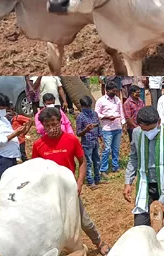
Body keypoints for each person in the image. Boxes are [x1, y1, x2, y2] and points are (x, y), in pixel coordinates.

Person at [32, 107, 111, 256]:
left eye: (54, 124)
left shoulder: (71, 140)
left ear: (60, 122)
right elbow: (35, 169)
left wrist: (79, 182)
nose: (51, 128)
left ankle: (99, 242)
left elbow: (82, 161)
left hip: (69, 190)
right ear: (43, 126)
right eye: (47, 125)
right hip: (47, 193)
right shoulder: (38, 145)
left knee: (83, 220)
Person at [124, 106, 164, 227]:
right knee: (141, 226)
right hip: (146, 185)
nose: (147, 133)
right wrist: (128, 181)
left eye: (150, 129)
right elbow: (134, 158)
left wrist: (162, 201)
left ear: (159, 122)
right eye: (144, 130)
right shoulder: (137, 133)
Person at [96, 81, 125, 175]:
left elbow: (121, 112)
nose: (115, 92)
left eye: (116, 91)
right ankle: (103, 169)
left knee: (116, 149)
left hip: (117, 127)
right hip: (107, 128)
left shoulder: (117, 100)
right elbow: (97, 114)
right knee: (107, 149)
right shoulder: (101, 101)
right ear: (107, 90)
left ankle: (115, 166)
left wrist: (123, 123)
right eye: (113, 91)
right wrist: (106, 117)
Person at [76, 96, 103, 189]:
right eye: (86, 107)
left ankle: (97, 178)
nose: (88, 109)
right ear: (82, 107)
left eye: (89, 106)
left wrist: (101, 138)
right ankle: (90, 181)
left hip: (95, 141)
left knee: (97, 161)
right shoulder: (80, 117)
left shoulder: (94, 114)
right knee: (88, 162)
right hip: (86, 143)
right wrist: (86, 130)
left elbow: (98, 126)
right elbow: (78, 133)